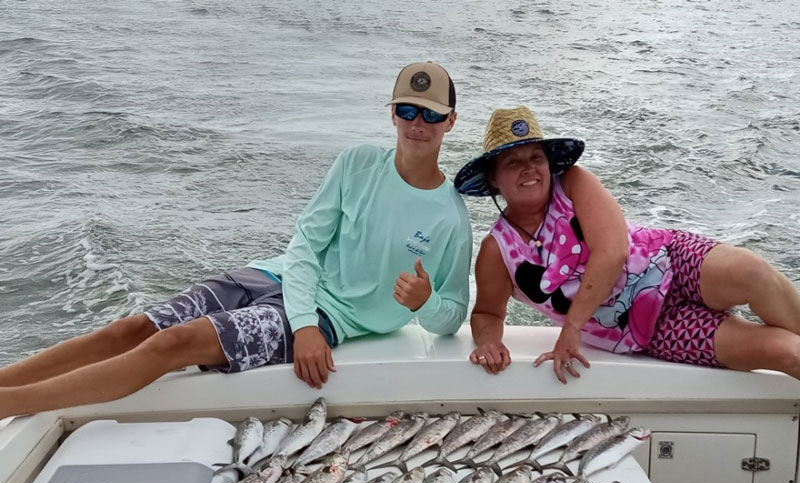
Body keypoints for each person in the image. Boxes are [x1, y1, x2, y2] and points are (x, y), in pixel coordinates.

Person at [0, 61, 472, 419]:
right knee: (132, 330)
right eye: (407, 110)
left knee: (175, 343)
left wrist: (424, 301)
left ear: (450, 121)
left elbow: (450, 319)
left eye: (430, 115)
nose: (417, 124)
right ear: (392, 114)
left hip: (336, 318)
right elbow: (306, 244)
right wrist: (302, 322)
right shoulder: (356, 163)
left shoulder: (450, 216)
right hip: (275, 275)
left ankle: (12, 405)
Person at [456, 105, 800, 384]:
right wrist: (489, 342)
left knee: (753, 272)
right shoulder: (497, 250)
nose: (528, 168)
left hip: (671, 260)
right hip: (650, 330)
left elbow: (613, 250)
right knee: (787, 353)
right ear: (494, 180)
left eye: (536, 157)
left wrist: (571, 327)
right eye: (513, 162)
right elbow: (487, 312)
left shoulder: (573, 181)